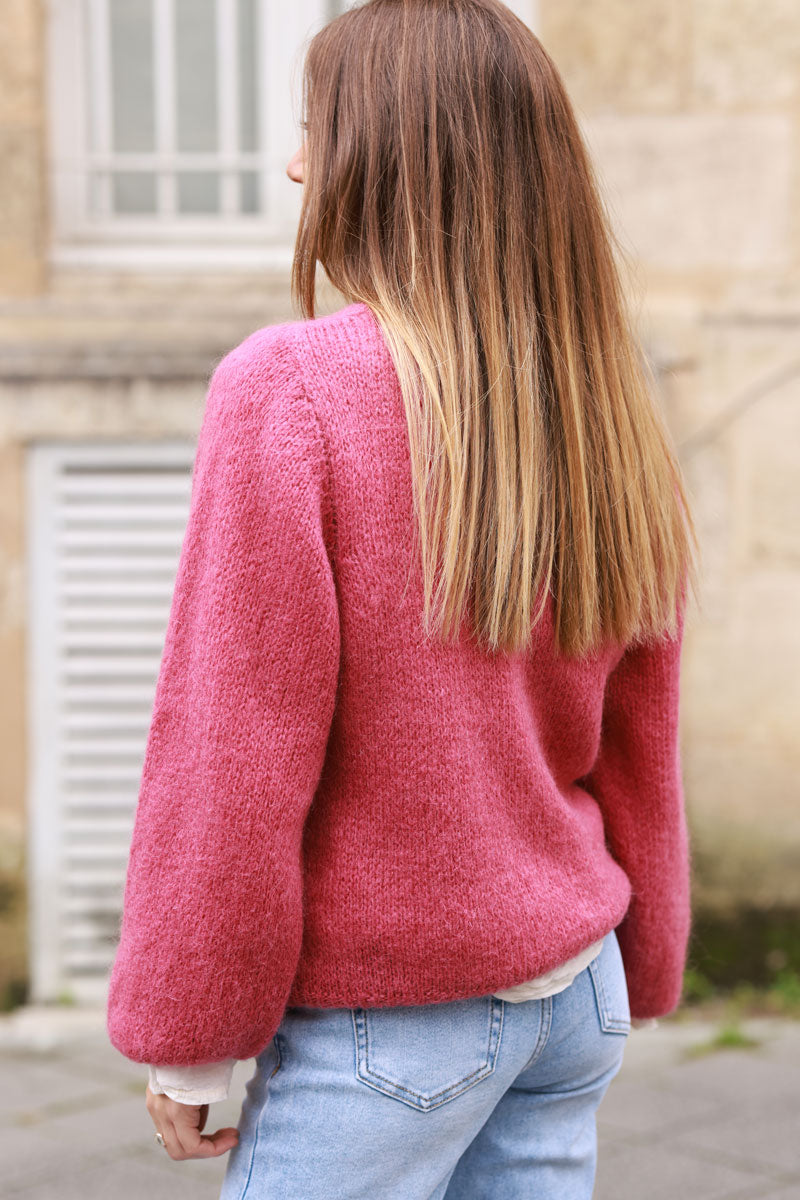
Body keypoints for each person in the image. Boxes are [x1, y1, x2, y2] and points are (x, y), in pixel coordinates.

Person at [105, 1, 701, 1196]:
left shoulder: (296, 392)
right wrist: (647, 955)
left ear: (389, 154)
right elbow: (643, 740)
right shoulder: (600, 407)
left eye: (315, 128)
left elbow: (234, 748)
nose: (292, 163)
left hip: (394, 1016)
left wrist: (192, 1028)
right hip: (570, 992)